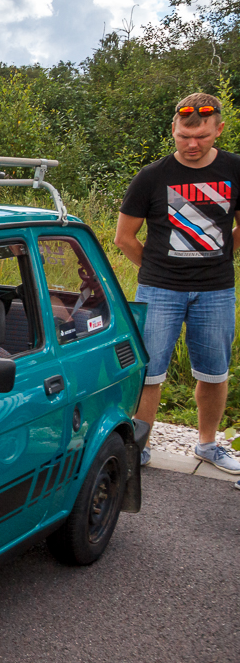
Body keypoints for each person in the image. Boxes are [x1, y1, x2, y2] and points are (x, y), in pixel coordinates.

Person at [115, 91, 240, 486]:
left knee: (214, 372)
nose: (192, 144)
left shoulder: (235, 169)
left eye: (201, 136)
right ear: (173, 128)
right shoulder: (151, 177)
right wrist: (158, 271)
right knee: (149, 373)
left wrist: (220, 259)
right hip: (159, 291)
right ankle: (140, 446)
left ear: (219, 129)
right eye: (184, 135)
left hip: (216, 290)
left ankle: (208, 445)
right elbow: (124, 238)